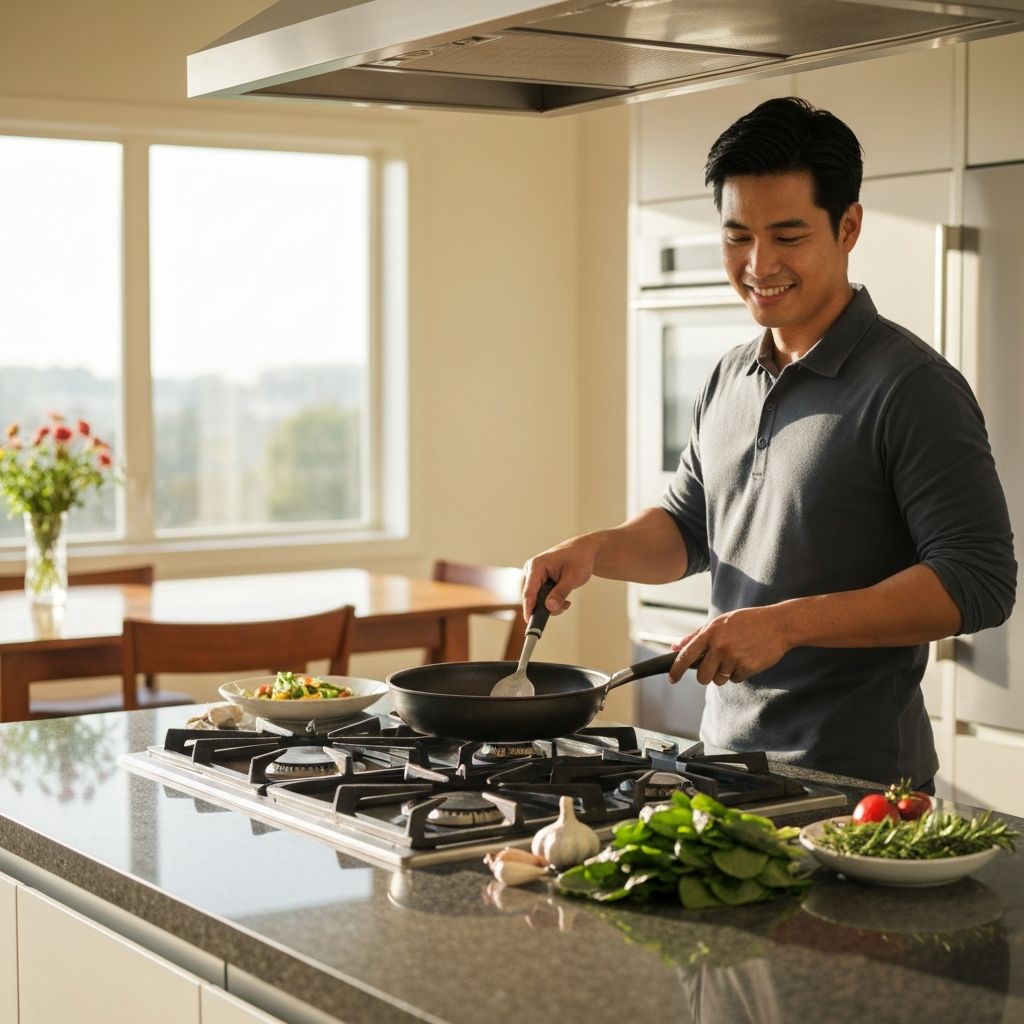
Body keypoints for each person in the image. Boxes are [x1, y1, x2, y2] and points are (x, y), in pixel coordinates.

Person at [523, 97, 1016, 789]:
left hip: (855, 788)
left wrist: (787, 625)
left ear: (848, 227)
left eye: (788, 236)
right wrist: (596, 550)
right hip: (722, 765)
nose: (758, 264)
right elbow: (690, 530)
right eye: (737, 237)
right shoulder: (729, 375)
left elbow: (980, 580)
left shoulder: (912, 387)